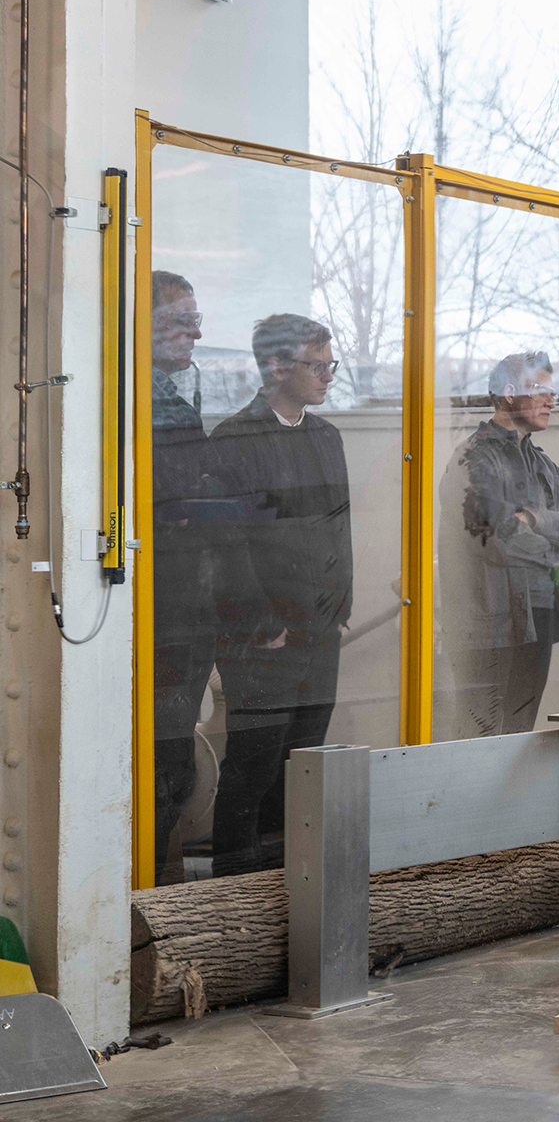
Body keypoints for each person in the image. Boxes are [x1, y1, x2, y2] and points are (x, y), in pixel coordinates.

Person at [206, 314, 353, 876]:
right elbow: (225, 544)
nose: (328, 376)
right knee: (256, 758)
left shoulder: (326, 436)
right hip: (263, 634)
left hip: (320, 625)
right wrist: (261, 622)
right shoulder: (234, 440)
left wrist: (340, 605)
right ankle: (236, 884)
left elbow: (339, 528)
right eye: (317, 366)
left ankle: (286, 877)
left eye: (329, 364)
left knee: (306, 756)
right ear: (275, 367)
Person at [440, 351, 559, 736]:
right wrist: (552, 550)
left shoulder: (544, 465)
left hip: (537, 616)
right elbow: (498, 540)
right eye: (540, 390)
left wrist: (536, 519)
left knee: (520, 733)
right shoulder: (474, 457)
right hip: (487, 622)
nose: (550, 401)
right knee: (478, 739)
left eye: (553, 393)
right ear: (508, 393)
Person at [149, 270, 221, 883]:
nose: (197, 331)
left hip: (186, 599)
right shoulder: (133, 402)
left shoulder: (175, 396)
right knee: (162, 744)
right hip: (161, 603)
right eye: (181, 319)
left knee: (172, 741)